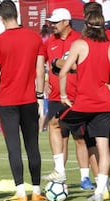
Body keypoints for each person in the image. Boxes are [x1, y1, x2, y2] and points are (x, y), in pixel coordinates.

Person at [58, 10, 110, 201]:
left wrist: (62, 95)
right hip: (104, 104)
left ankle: (58, 170)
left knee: (56, 125)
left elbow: (63, 72)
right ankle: (100, 191)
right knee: (103, 147)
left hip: (83, 103)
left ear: (86, 26)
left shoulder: (79, 44)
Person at [0, 0, 46, 201]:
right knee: (33, 146)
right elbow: (40, 71)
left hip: (8, 101)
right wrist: (39, 97)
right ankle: (37, 190)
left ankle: (21, 192)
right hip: (29, 99)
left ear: (1, 18)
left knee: (13, 146)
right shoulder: (34, 37)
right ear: (17, 14)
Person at [41, 8, 96, 191]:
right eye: (51, 22)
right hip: (56, 97)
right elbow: (43, 63)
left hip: (76, 96)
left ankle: (85, 178)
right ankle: (59, 173)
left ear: (66, 22)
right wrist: (44, 81)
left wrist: (62, 65)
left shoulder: (80, 40)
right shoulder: (50, 42)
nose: (52, 25)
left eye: (56, 22)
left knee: (79, 137)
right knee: (59, 134)